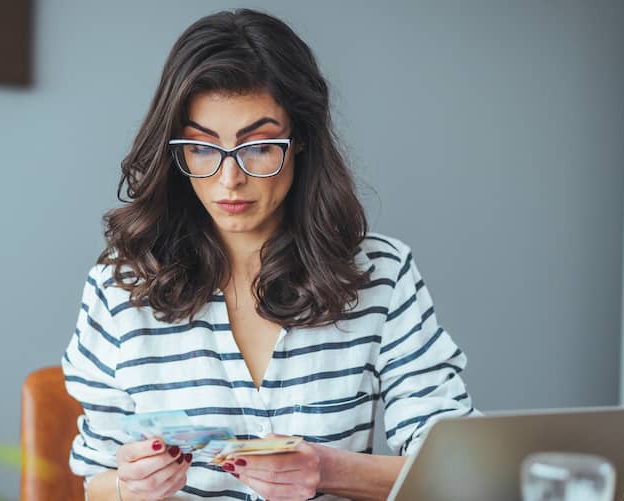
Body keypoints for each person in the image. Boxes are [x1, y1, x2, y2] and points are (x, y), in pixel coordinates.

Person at [62, 9, 476, 501]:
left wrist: (327, 469)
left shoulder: (381, 275)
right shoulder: (121, 285)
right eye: (201, 148)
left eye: (258, 147)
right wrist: (132, 487)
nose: (228, 179)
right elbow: (95, 481)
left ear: (299, 140)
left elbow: (456, 474)